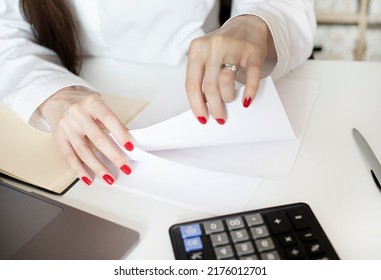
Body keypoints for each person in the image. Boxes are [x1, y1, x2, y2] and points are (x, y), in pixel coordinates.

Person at [0, 0, 316, 186]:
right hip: (64, 84)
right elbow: (6, 31)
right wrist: (54, 96)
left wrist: (254, 24)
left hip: (193, 79)